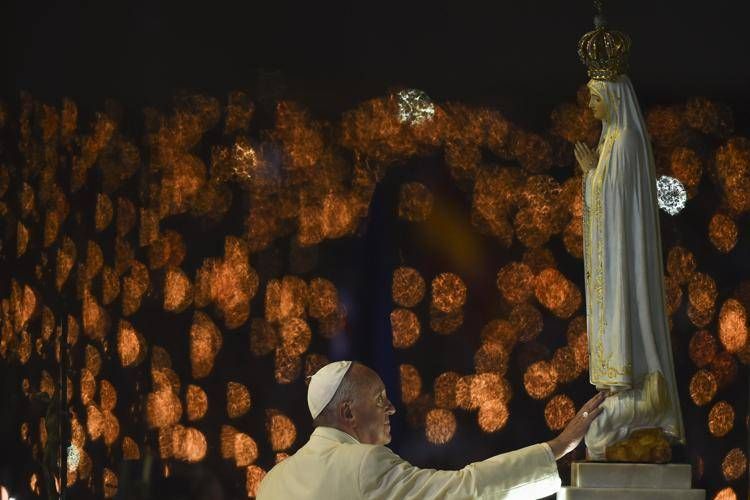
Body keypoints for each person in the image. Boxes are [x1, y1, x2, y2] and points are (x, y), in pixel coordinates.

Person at [257, 361, 607, 499]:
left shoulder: (272, 481)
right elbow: (464, 490)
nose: (391, 408)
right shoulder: (364, 464)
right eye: (380, 399)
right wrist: (558, 446)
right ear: (347, 411)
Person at [574, 73, 685, 459]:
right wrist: (592, 176)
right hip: (614, 256)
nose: (590, 107)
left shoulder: (624, 142)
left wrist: (591, 175)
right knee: (597, 436)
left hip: (624, 259)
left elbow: (616, 203)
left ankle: (636, 395)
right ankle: (628, 402)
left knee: (597, 435)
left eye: (594, 98)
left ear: (613, 98)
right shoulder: (612, 141)